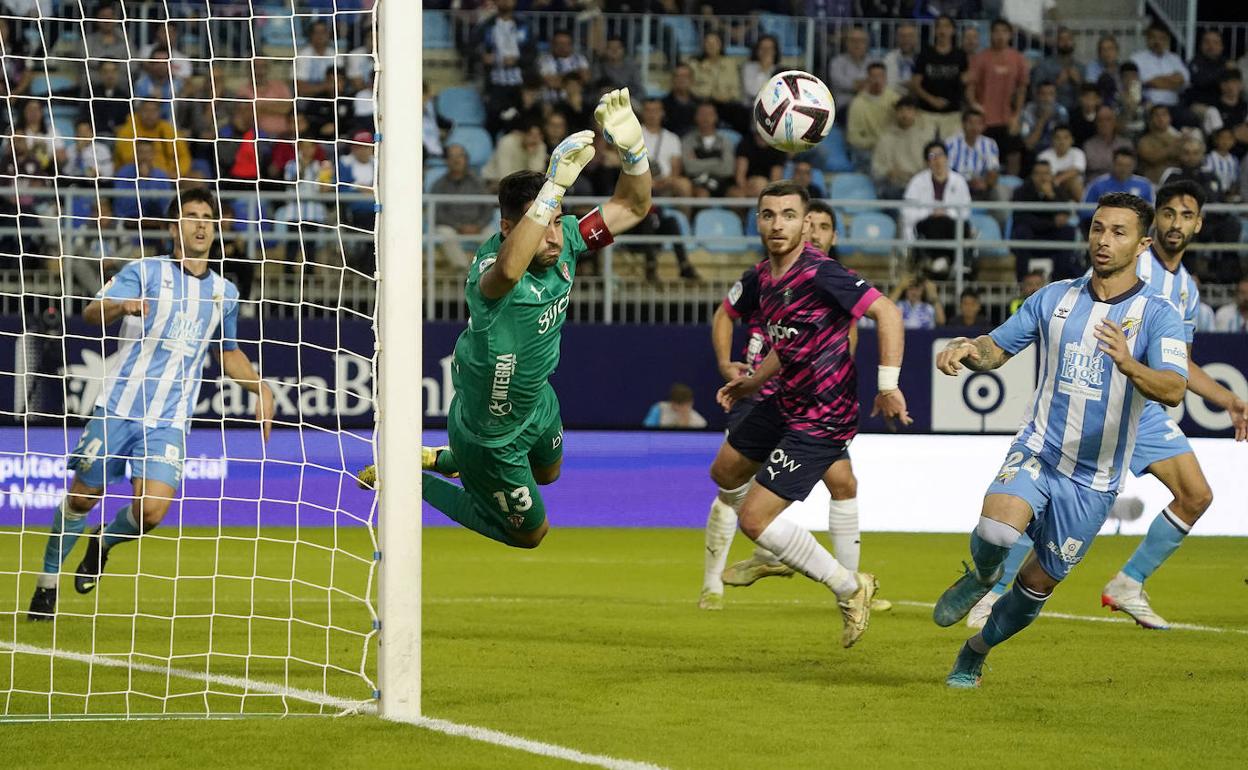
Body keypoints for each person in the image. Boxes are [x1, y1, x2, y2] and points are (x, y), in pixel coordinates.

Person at [357, 90, 651, 549]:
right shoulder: (489, 270)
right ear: (509, 228)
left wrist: (634, 151)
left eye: (558, 221)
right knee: (532, 535)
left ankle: (440, 458)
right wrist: (552, 187)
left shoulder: (567, 242)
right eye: (542, 223)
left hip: (536, 403)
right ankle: (407, 482)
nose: (554, 236)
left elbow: (633, 208)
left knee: (549, 474)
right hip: (488, 433)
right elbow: (510, 271)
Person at [930, 192, 1190, 688]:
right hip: (1040, 449)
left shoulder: (1158, 316)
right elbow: (996, 348)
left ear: (1142, 244)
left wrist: (1130, 363)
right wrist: (967, 348)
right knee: (997, 532)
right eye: (1097, 228)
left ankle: (974, 652)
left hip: (1094, 482)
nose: (1104, 240)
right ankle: (983, 575)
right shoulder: (1054, 298)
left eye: (1118, 232)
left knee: (1032, 591)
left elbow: (1174, 388)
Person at [967, 182, 1248, 632]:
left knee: (1196, 495)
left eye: (1186, 215)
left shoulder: (1186, 291)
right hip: (1091, 400)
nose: (1177, 223)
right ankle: (993, 592)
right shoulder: (1131, 265)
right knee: (1039, 492)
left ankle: (1128, 583)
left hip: (1140, 406)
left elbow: (1179, 365)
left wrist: (1228, 398)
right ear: (1152, 228)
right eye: (1169, 213)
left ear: (1199, 224)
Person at [27, 189, 275, 619]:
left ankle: (102, 542)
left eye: (207, 217)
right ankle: (46, 585)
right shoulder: (143, 271)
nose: (201, 224)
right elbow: (90, 311)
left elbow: (228, 352)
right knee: (82, 500)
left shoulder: (225, 293)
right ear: (173, 226)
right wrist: (120, 305)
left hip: (170, 419)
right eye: (192, 216)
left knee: (151, 512)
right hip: (120, 407)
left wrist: (262, 388)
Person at [707, 181, 910, 647]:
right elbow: (790, 340)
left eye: (789, 215)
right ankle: (781, 548)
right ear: (757, 221)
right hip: (784, 400)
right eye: (768, 215)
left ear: (804, 223)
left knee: (754, 520)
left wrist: (887, 385)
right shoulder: (763, 278)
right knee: (725, 470)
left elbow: (889, 313)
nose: (778, 224)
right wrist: (753, 382)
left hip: (823, 413)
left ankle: (848, 586)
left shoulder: (823, 273)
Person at [965, 19, 1028, 176]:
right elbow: (970, 86)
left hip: (1008, 118)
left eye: (1004, 32)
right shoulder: (980, 58)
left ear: (1010, 35)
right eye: (996, 31)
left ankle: (1012, 186)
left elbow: (1022, 89)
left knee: (1014, 153)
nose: (1000, 35)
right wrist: (974, 105)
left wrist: (1017, 115)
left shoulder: (1018, 58)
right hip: (985, 119)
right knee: (986, 156)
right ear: (991, 34)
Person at [902, 140, 972, 278]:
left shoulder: (959, 181)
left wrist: (946, 212)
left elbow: (965, 211)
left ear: (946, 157)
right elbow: (907, 211)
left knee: (956, 225)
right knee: (935, 223)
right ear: (927, 161)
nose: (937, 160)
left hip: (951, 225)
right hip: (926, 225)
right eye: (932, 156)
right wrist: (930, 212)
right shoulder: (917, 182)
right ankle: (938, 260)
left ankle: (946, 262)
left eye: (940, 155)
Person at [1011, 159, 1080, 280]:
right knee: (1021, 231)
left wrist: (1051, 197)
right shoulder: (1021, 191)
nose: (1042, 178)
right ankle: (1023, 281)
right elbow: (1022, 219)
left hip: (1050, 235)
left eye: (1046, 174)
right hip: (1031, 236)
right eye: (1038, 174)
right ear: (1032, 176)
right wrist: (1052, 223)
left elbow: (1065, 214)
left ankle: (1059, 279)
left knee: (1068, 231)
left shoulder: (1057, 191)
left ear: (1051, 176)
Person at [431, 144, 493, 272]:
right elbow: (438, 214)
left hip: (478, 227)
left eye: (460, 156)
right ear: (446, 161)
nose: (456, 160)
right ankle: (465, 271)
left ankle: (486, 271)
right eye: (452, 157)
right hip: (452, 227)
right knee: (444, 233)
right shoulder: (439, 185)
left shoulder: (478, 182)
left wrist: (478, 226)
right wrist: (459, 226)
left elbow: (488, 209)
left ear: (466, 159)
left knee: (491, 235)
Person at [910, 15, 967, 140]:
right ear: (935, 31)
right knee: (923, 150)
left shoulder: (961, 55)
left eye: (946, 26)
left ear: (953, 30)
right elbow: (915, 84)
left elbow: (965, 83)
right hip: (926, 112)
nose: (942, 30)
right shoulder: (925, 53)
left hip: (953, 112)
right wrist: (932, 100)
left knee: (952, 152)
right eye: (939, 26)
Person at [872, 97, 934, 199]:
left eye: (909, 110)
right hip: (895, 187)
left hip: (920, 185)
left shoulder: (926, 138)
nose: (905, 114)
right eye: (901, 110)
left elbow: (933, 159)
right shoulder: (885, 139)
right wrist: (887, 172)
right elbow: (876, 168)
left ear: (916, 113)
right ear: (896, 113)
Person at [847, 62, 900, 170]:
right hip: (869, 149)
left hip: (892, 147)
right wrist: (876, 143)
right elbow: (853, 138)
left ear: (886, 79)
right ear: (868, 79)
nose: (877, 80)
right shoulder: (857, 103)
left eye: (881, 76)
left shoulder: (895, 100)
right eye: (873, 76)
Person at [945, 109, 1001, 204]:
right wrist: (967, 183)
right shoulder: (950, 143)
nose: (974, 127)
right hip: (956, 186)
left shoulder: (990, 144)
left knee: (997, 191)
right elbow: (947, 171)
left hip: (981, 187)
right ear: (963, 124)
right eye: (970, 123)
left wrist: (985, 182)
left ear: (983, 126)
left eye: (979, 123)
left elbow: (993, 170)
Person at [681, 101, 735, 198]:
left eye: (709, 114)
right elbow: (689, 168)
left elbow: (728, 169)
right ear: (696, 117)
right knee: (702, 195)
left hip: (722, 183)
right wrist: (717, 161)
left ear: (716, 117)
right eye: (702, 114)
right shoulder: (687, 141)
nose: (706, 118)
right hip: (697, 184)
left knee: (737, 195)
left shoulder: (725, 141)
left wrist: (698, 162)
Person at [1130, 24, 1189, 110]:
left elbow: (1183, 80)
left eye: (1162, 38)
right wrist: (1171, 81)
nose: (1157, 41)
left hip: (1173, 105)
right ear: (1147, 39)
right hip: (1149, 106)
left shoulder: (1174, 59)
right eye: (1153, 37)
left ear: (1167, 40)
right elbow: (1133, 86)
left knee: (1191, 119)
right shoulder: (1136, 59)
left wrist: (1154, 82)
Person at [1030, 27, 1083, 114]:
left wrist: (1078, 82)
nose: (1066, 42)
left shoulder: (1081, 67)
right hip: (1051, 112)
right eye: (1062, 39)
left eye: (1069, 39)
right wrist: (1057, 83)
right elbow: (1035, 92)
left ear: (1074, 43)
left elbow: (1089, 95)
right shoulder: (1044, 66)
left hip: (1077, 112)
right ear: (1056, 43)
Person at [828, 26, 872, 118]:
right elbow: (840, 83)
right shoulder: (837, 62)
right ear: (847, 43)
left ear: (866, 44)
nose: (857, 44)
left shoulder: (873, 62)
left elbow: (877, 82)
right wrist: (861, 84)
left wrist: (857, 84)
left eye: (861, 41)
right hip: (845, 106)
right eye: (853, 41)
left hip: (870, 104)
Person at [1084, 148, 1154, 206]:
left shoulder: (1145, 185)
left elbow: (1153, 209)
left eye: (1127, 166)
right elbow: (1084, 210)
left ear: (1134, 165)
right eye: (1120, 165)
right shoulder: (1098, 184)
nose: (1123, 169)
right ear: (1113, 164)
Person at [537, 30, 590, 104]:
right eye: (559, 43)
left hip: (577, 101)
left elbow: (585, 78)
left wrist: (558, 78)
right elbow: (550, 82)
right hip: (552, 101)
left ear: (571, 45)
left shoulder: (580, 59)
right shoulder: (544, 60)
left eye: (566, 43)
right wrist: (573, 79)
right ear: (553, 45)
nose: (562, 46)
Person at [1136, 105, 1184, 184]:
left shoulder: (1178, 138)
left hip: (1177, 183)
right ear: (1150, 119)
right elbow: (1152, 158)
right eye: (1157, 115)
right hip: (1154, 184)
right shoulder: (1144, 141)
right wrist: (1172, 148)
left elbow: (1186, 157)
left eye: (1164, 115)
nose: (1161, 118)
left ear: (1170, 118)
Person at [1037, 124, 1086, 201]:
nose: (1062, 141)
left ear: (1072, 140)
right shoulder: (1043, 156)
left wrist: (1058, 179)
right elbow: (1045, 176)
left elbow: (1076, 171)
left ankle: (1085, 211)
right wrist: (1058, 180)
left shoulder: (1078, 153)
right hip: (1052, 188)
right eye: (1058, 138)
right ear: (1052, 140)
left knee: (1074, 182)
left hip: (1072, 189)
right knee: (1045, 185)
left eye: (1066, 138)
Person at [1083, 105, 1133, 179]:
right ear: (1096, 123)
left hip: (1122, 184)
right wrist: (1119, 165)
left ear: (1115, 121)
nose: (1104, 124)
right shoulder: (1089, 145)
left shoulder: (1126, 144)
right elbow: (1092, 165)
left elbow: (1131, 166)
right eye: (1100, 120)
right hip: (1097, 185)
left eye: (1108, 119)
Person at [1020, 80, 1068, 155]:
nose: (1047, 98)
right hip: (1032, 153)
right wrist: (1042, 120)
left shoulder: (1061, 112)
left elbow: (1063, 142)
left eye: (1051, 94)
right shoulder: (1027, 111)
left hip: (1055, 153)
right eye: (1043, 94)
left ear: (1055, 96)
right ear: (1037, 96)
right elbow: (1029, 144)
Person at [592, 36, 645, 102]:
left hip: (628, 99)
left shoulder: (632, 67)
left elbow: (639, 90)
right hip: (606, 99)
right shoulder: (599, 66)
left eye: (618, 48)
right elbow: (595, 86)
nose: (614, 51)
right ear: (605, 50)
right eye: (611, 48)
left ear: (623, 50)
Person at [643, 383, 707, 428]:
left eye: (684, 406)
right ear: (671, 402)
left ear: (691, 403)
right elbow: (647, 432)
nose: (681, 409)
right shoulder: (659, 409)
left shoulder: (700, 422)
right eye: (678, 405)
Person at [662, 64, 698, 138]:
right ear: (672, 80)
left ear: (692, 80)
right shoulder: (662, 105)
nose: (681, 79)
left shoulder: (700, 105)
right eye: (678, 76)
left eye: (685, 76)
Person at [883, 22, 919, 95]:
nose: (906, 39)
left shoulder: (923, 58)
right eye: (902, 36)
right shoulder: (889, 58)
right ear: (897, 39)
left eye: (910, 36)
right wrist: (903, 86)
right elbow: (887, 85)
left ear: (916, 39)